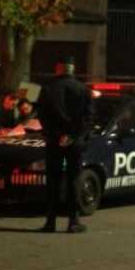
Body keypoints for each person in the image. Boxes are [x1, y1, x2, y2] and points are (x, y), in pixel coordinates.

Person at [37, 57, 92, 234]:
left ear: (58, 69)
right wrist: (73, 136)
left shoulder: (47, 89)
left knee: (52, 180)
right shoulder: (83, 89)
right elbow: (88, 118)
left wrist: (57, 135)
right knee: (74, 180)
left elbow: (43, 117)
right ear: (72, 70)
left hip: (54, 142)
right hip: (74, 142)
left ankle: (50, 221)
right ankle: (73, 221)